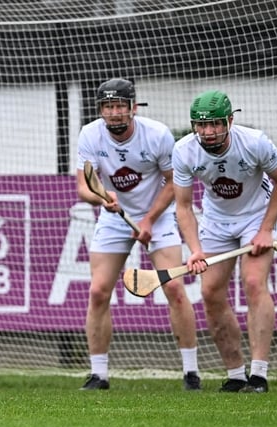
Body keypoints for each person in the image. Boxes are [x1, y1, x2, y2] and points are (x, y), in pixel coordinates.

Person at [76, 78, 200, 391]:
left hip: (158, 218)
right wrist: (103, 197)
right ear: (101, 110)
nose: (115, 113)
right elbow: (83, 187)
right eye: (108, 106)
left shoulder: (156, 134)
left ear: (133, 107)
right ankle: (98, 374)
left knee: (173, 288)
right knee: (98, 291)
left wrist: (148, 220)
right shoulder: (90, 135)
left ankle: (191, 373)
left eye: (120, 106)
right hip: (114, 218)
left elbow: (174, 183)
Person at [173, 90, 277, 393]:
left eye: (215, 125)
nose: (208, 132)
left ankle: (259, 375)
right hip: (216, 221)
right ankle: (236, 375)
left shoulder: (255, 142)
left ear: (230, 121)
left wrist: (265, 229)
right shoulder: (184, 151)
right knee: (210, 292)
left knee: (252, 283)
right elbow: (183, 206)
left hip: (255, 216)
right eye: (201, 125)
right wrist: (195, 249)